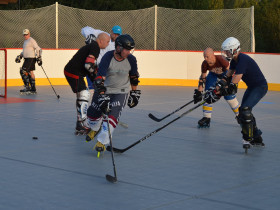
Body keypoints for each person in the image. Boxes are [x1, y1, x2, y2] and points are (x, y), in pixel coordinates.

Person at [204, 37, 268, 150]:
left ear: (234, 49)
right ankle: (257, 138)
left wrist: (219, 93)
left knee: (245, 110)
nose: (225, 53)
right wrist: (216, 88)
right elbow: (227, 76)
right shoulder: (234, 60)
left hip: (260, 87)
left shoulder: (243, 60)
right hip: (252, 87)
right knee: (243, 111)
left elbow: (234, 83)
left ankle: (248, 138)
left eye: (227, 51)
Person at [86, 34, 140, 157]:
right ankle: (95, 128)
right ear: (119, 48)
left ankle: (102, 141)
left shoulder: (131, 59)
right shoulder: (108, 57)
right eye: (126, 49)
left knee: (112, 117)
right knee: (92, 116)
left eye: (130, 49)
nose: (128, 52)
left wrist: (134, 93)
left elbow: (134, 77)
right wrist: (103, 95)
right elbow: (100, 79)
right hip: (104, 88)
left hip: (121, 91)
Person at [64, 33, 110, 135]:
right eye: (107, 42)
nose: (108, 44)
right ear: (101, 41)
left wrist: (95, 77)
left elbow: (89, 67)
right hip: (74, 72)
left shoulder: (92, 46)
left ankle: (80, 123)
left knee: (82, 96)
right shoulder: (95, 47)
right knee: (84, 94)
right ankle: (82, 124)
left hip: (74, 72)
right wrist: (95, 78)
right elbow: (88, 65)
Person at [194, 48, 240, 128]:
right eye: (204, 57)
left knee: (229, 96)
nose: (205, 59)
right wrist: (199, 92)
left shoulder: (221, 60)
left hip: (225, 75)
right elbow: (203, 78)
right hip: (213, 76)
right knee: (208, 94)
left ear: (213, 55)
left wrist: (225, 86)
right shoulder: (204, 64)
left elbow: (230, 73)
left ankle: (239, 116)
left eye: (207, 57)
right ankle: (206, 118)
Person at [81, 25, 122, 91]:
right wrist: (90, 36)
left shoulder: (118, 45)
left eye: (118, 35)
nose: (116, 36)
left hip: (104, 67)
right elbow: (84, 29)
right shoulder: (102, 35)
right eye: (115, 34)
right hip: (94, 64)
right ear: (111, 32)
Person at [15, 29, 42, 94]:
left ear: (29, 34)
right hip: (27, 59)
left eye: (26, 34)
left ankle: (27, 87)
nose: (25, 35)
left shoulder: (31, 40)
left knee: (23, 71)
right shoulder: (25, 41)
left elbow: (38, 49)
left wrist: (39, 57)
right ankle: (33, 88)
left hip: (31, 59)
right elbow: (25, 50)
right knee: (30, 72)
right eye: (24, 34)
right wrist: (20, 56)